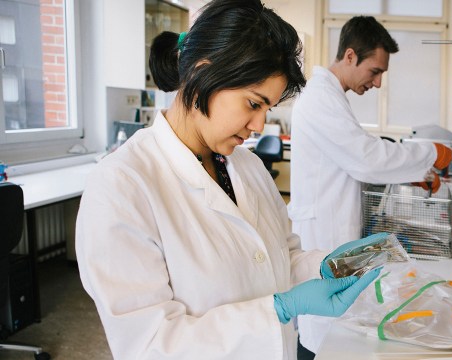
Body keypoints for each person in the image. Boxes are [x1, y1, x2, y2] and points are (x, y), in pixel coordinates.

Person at [75, 1, 381, 359]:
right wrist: (277, 310)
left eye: (267, 109)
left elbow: (278, 256)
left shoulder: (247, 167)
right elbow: (149, 345)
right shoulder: (121, 187)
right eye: (253, 104)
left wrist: (324, 266)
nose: (258, 126)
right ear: (204, 72)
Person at [288, 16, 452, 355]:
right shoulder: (319, 97)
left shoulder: (331, 97)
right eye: (374, 71)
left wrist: (409, 173)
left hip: (333, 225)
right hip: (323, 230)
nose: (377, 83)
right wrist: (429, 153)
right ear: (350, 56)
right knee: (322, 331)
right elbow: (364, 157)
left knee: (336, 322)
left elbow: (352, 158)